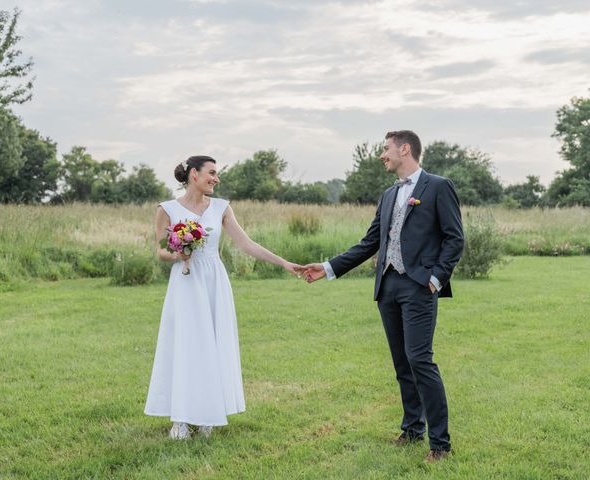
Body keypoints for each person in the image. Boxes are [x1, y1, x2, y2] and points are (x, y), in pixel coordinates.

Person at [302, 130, 464, 463]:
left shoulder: (438, 186)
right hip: (388, 287)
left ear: (405, 149)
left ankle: (440, 444)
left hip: (419, 286)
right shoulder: (389, 194)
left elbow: (454, 238)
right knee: (402, 363)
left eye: (386, 149)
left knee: (420, 360)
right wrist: (328, 268)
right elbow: (369, 243)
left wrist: (435, 278)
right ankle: (412, 430)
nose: (382, 155)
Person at [144, 155, 302, 439]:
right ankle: (180, 419)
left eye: (217, 174)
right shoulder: (166, 209)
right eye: (212, 173)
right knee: (185, 345)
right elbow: (159, 251)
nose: (216, 179)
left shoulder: (221, 207)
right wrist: (178, 253)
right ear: (194, 174)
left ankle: (208, 415)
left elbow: (247, 244)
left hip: (214, 281)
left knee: (213, 346)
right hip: (185, 283)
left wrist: (285, 264)